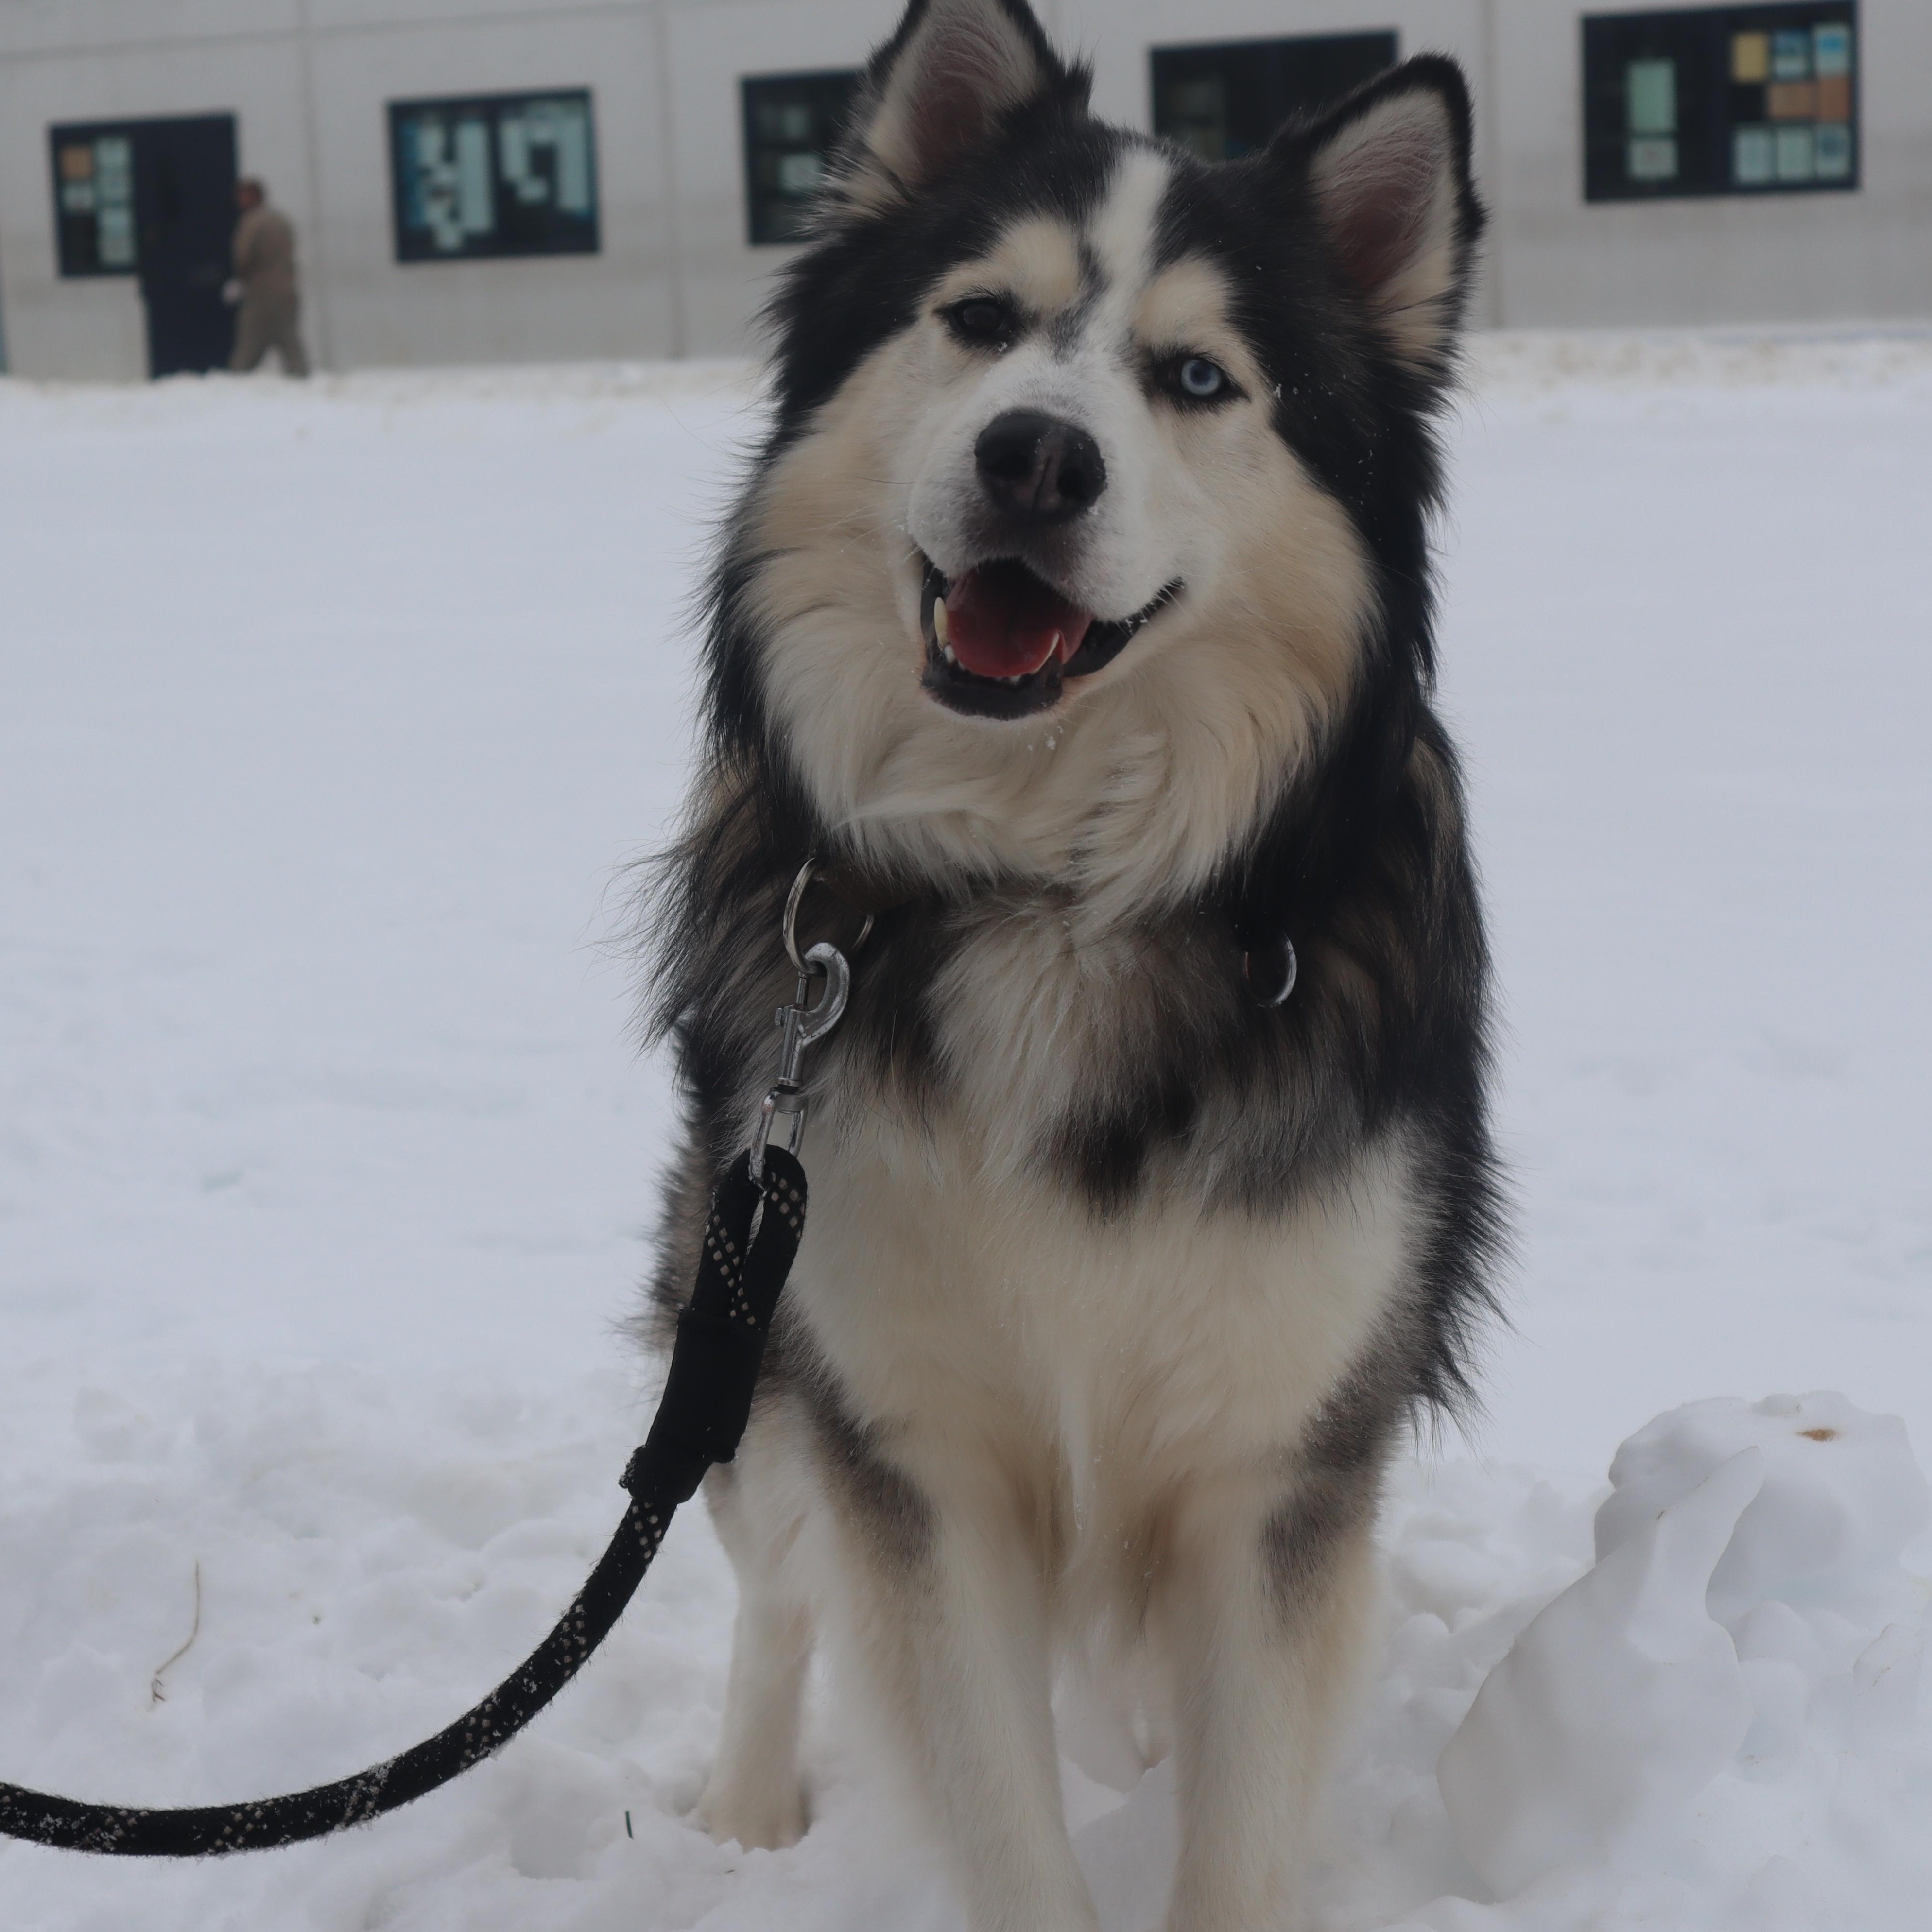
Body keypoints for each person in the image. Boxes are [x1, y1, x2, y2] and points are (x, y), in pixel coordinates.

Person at [226, 178, 310, 377]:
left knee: (249, 345)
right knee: (290, 341)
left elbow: (242, 257)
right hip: (287, 291)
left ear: (251, 197)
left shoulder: (251, 223)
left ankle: (235, 385)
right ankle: (302, 380)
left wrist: (239, 280)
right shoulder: (281, 220)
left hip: (261, 294)